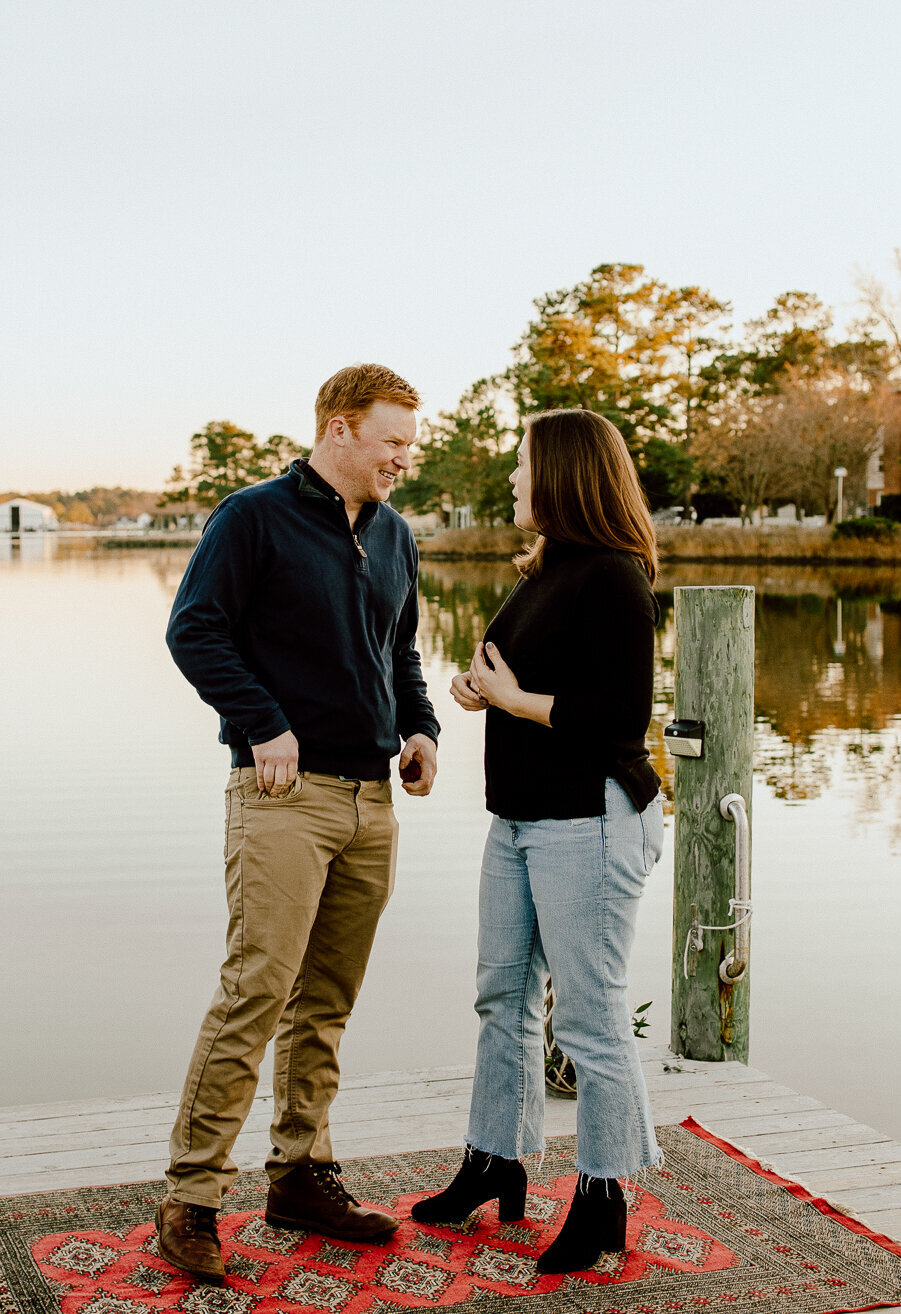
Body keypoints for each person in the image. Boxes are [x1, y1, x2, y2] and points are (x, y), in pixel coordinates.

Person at [157, 363, 440, 1286]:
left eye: (410, 440)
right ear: (340, 429)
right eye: (393, 439)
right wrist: (263, 721)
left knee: (327, 1004)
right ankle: (191, 1197)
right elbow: (194, 630)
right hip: (283, 799)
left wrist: (423, 727)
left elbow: (398, 647)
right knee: (256, 994)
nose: (407, 456)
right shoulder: (253, 517)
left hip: (371, 800)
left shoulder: (395, 534)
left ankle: (301, 1175)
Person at [413, 408, 664, 1273]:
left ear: (561, 473)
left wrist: (518, 703)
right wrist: (485, 690)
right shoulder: (546, 570)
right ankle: (496, 1159)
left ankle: (604, 1196)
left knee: (591, 1020)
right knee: (501, 999)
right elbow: (538, 678)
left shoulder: (615, 577)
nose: (513, 479)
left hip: (589, 821)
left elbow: (620, 717)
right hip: (518, 817)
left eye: (522, 464)